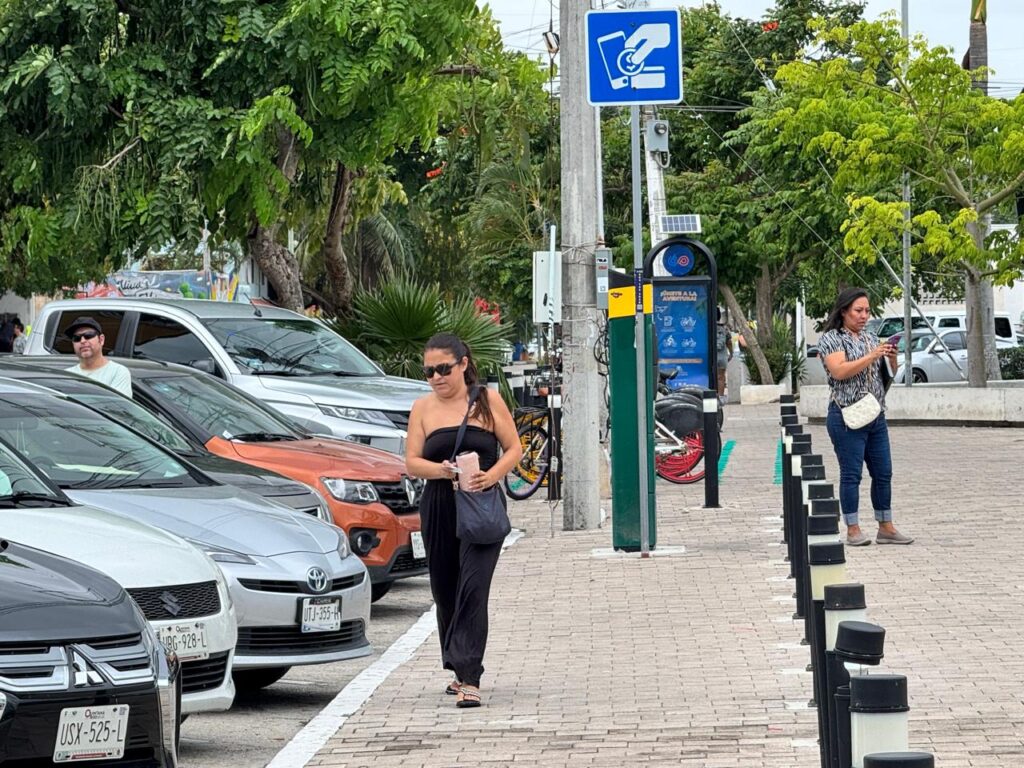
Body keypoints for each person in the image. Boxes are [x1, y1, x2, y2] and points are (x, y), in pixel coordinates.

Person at [405, 333, 522, 708]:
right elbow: (412, 462)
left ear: (463, 364)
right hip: (440, 502)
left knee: (474, 588)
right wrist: (443, 471)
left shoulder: (487, 401)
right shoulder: (422, 408)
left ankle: (470, 676)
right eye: (429, 372)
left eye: (444, 369)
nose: (437, 377)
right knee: (444, 588)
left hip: (481, 500)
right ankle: (457, 667)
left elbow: (514, 448)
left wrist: (492, 475)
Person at [819, 288, 912, 547]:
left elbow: (885, 376)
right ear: (844, 311)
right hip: (846, 416)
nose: (863, 316)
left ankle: (886, 526)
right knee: (852, 474)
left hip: (875, 414)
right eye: (858, 311)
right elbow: (839, 371)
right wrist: (871, 355)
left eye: (867, 311)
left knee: (883, 472)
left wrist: (891, 360)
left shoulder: (872, 338)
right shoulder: (831, 339)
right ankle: (853, 528)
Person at [64, 316, 133, 397]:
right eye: (77, 338)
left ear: (101, 339)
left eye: (88, 335)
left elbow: (119, 406)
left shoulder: (118, 372)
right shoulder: (66, 375)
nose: (82, 341)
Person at [715, 308, 733, 399]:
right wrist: (731, 353)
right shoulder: (724, 328)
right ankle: (720, 397)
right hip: (721, 356)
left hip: (709, 356)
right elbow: (729, 342)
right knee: (721, 377)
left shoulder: (705, 327)